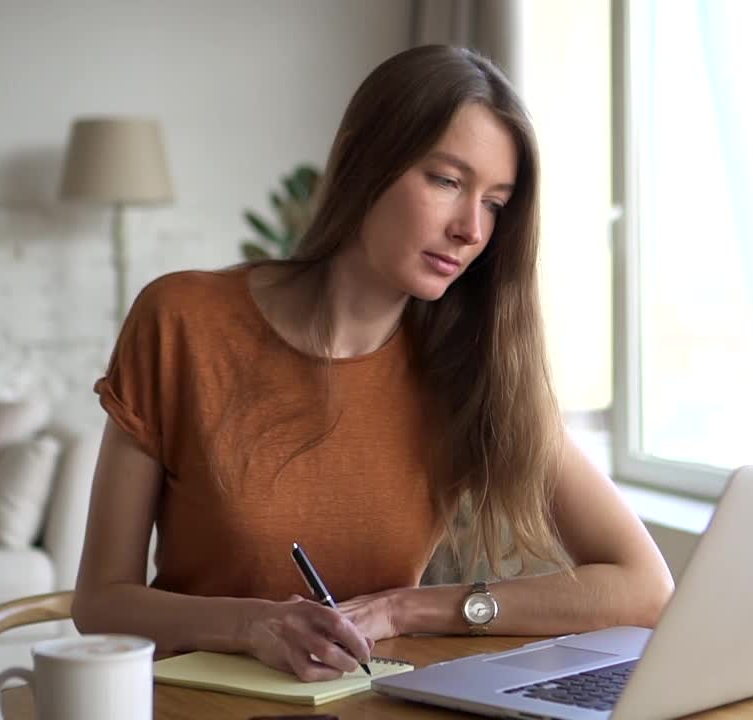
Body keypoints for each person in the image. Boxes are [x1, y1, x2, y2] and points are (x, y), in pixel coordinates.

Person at [71, 44, 674, 683]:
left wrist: (409, 607)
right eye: (446, 181)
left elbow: (644, 587)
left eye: (495, 202)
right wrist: (253, 625)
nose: (472, 228)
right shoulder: (182, 320)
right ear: (366, 158)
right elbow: (101, 602)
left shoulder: (471, 367)